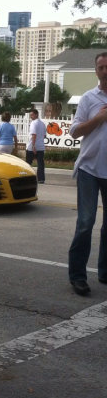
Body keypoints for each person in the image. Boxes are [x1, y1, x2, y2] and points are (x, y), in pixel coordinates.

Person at [68, 51, 107, 296]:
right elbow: (74, 132)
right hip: (89, 170)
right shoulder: (88, 98)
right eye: (101, 67)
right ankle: (77, 276)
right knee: (86, 222)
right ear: (96, 71)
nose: (105, 70)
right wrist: (100, 118)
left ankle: (104, 271)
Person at [25, 109, 47, 183]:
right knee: (40, 163)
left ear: (36, 114)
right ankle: (41, 178)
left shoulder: (33, 123)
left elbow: (34, 134)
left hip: (32, 146)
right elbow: (44, 136)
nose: (31, 116)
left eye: (32, 115)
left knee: (28, 163)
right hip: (40, 146)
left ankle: (27, 177)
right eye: (30, 115)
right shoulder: (42, 124)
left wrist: (33, 146)